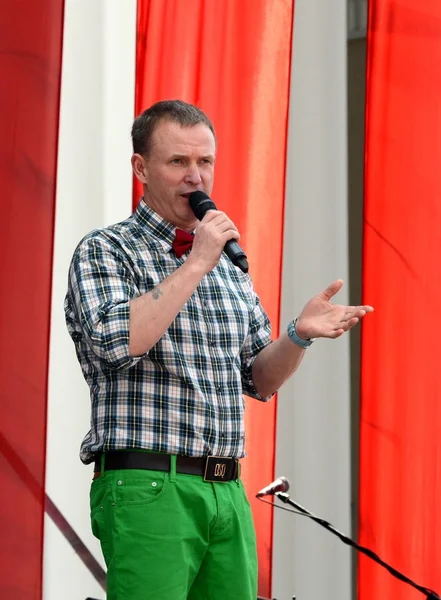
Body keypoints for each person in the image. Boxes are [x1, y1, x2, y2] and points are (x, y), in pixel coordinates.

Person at [65, 99, 373, 600]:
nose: (196, 177)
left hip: (227, 489)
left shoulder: (229, 269)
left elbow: (259, 380)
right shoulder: (106, 250)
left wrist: (298, 334)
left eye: (205, 162)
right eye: (178, 162)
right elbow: (117, 341)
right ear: (141, 168)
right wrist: (197, 261)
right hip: (149, 484)